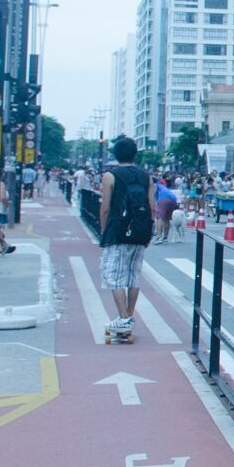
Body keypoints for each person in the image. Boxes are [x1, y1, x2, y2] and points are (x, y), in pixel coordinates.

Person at [96, 137, 156, 344]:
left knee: (114, 275)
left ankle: (124, 318)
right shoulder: (145, 176)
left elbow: (105, 207)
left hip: (118, 230)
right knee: (133, 274)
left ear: (115, 154)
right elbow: (152, 206)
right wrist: (149, 229)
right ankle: (128, 317)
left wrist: (104, 230)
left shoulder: (110, 176)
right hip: (140, 230)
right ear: (135, 154)